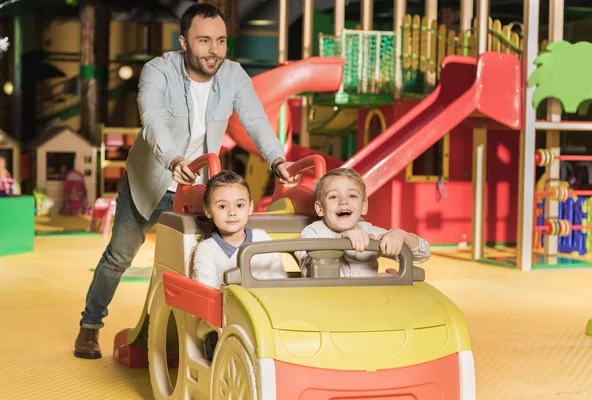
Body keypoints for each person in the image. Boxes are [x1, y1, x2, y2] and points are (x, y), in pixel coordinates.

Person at [74, 3, 299, 360]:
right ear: (183, 42)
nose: (214, 50)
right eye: (204, 41)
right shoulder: (157, 71)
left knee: (203, 261)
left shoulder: (234, 75)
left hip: (198, 189)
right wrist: (173, 158)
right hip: (149, 180)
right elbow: (153, 119)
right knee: (119, 257)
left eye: (221, 41)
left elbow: (255, 119)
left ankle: (205, 334)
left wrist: (276, 159)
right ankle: (89, 327)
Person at [192, 170, 286, 360]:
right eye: (222, 206)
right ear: (208, 211)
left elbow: (278, 281)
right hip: (221, 326)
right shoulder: (206, 250)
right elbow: (207, 297)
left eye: (239, 205)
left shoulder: (261, 239)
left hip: (264, 318)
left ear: (250, 207)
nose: (232, 212)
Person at [295, 168, 431, 277]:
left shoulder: (369, 232)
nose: (343, 201)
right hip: (328, 303)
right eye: (333, 196)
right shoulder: (312, 233)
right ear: (320, 208)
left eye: (352, 196)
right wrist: (341, 240)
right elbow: (311, 272)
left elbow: (422, 255)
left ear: (364, 206)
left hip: (368, 302)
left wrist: (400, 235)